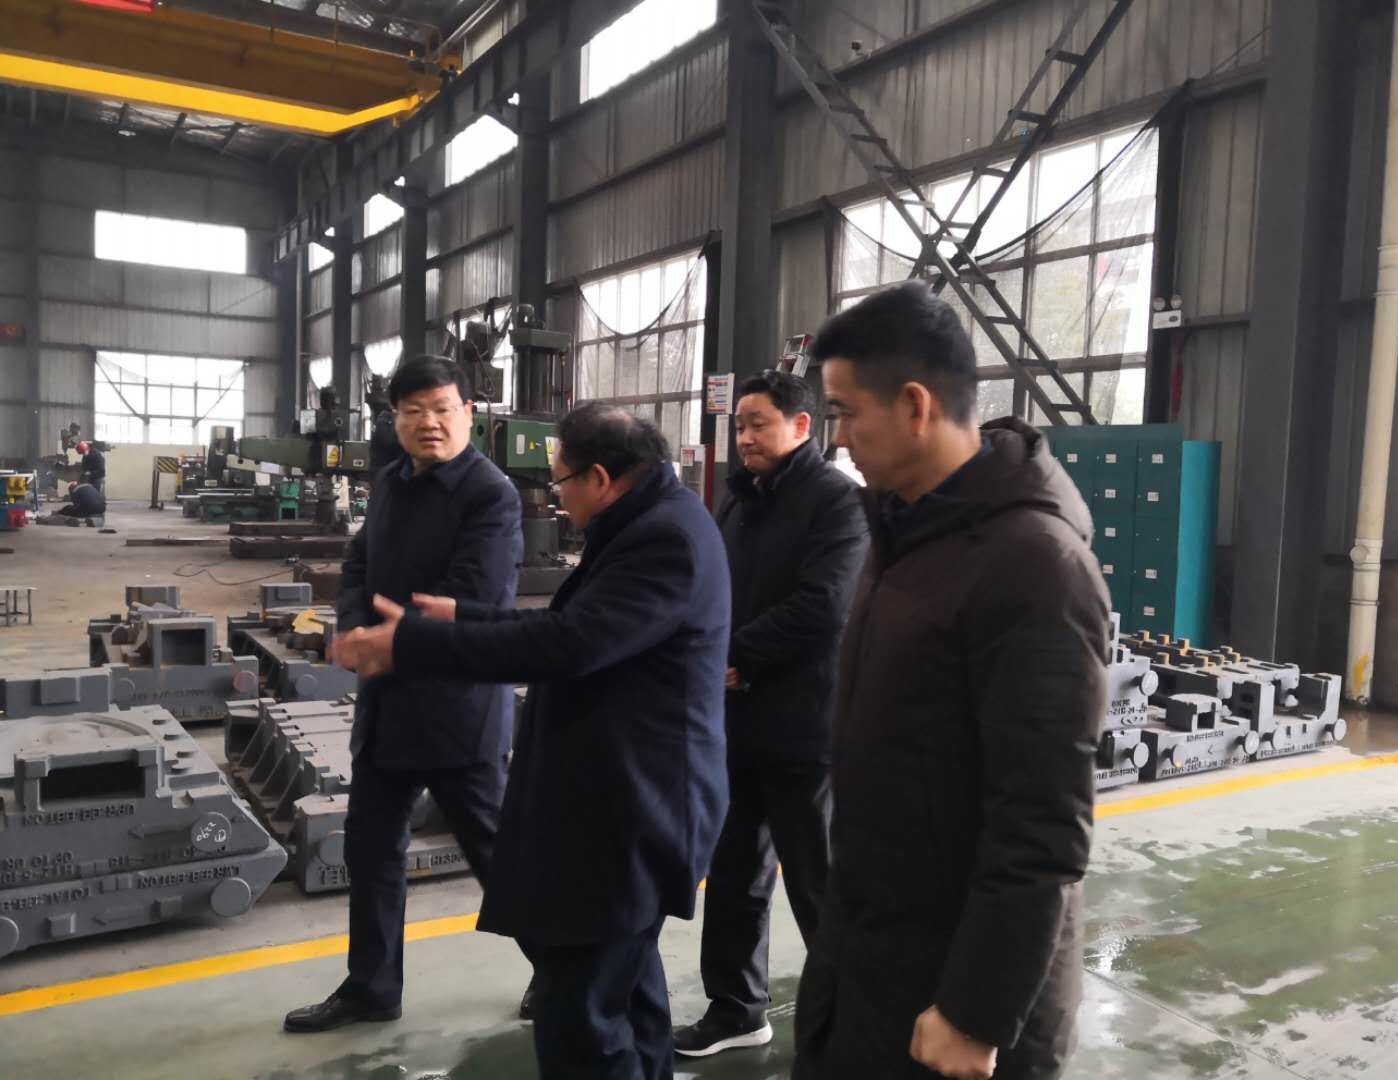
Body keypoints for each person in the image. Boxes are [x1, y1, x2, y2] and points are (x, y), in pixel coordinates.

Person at [334, 403, 731, 1080]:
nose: (557, 497)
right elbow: (575, 623)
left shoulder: (665, 539)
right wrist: (467, 618)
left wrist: (414, 643)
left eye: (561, 482)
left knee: (580, 1017)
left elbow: (568, 644)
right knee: (628, 999)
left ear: (600, 478)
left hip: (633, 811)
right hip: (619, 801)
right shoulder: (648, 520)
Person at [793, 282, 1109, 1080]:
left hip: (953, 986)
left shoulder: (1034, 565)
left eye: (844, 414)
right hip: (873, 946)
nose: (838, 439)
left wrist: (977, 1010)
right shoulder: (905, 531)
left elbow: (1041, 821)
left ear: (915, 406)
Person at [284, 355, 523, 1034]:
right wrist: (353, 627)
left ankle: (564, 969)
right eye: (414, 411)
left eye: (442, 409)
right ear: (395, 419)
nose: (429, 423)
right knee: (371, 851)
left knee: (497, 855)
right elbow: (358, 565)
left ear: (469, 414)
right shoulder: (390, 480)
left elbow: (475, 597)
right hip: (387, 704)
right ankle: (372, 988)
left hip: (456, 707)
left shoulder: (490, 495)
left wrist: (393, 639)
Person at [674, 370, 867, 1058]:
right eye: (739, 425)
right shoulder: (738, 498)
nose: (746, 437)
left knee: (818, 882)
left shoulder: (837, 502)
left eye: (758, 423)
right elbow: (712, 586)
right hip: (736, 721)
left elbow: (825, 604)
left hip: (804, 725)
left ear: (801, 425)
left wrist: (737, 655)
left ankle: (854, 1023)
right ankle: (735, 1008)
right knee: (732, 874)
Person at [37, 481, 106, 525]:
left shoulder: (75, 490)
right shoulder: (90, 486)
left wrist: (62, 512)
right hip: (101, 509)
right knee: (82, 508)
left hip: (89, 509)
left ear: (71, 489)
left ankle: (54, 515)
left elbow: (75, 505)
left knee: (68, 508)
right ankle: (94, 518)